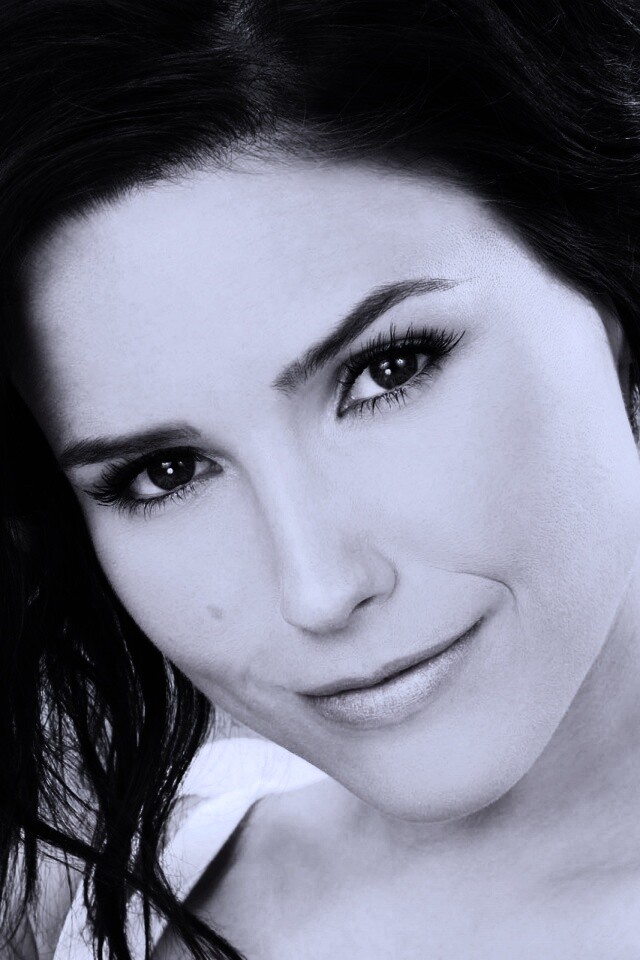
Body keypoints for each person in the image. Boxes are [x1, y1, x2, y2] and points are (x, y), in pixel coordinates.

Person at [2, 0, 640, 957]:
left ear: (611, 270)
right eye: (164, 473)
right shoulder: (96, 900)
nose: (319, 590)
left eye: (388, 371)